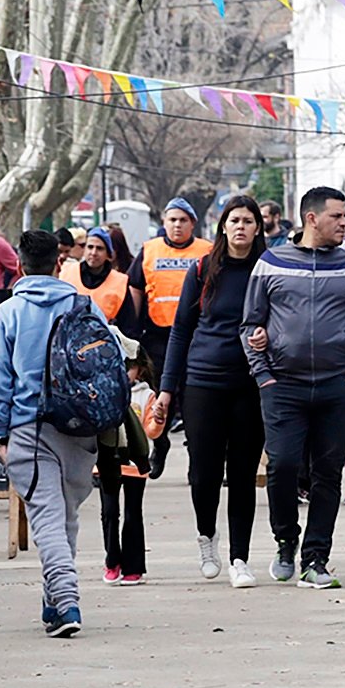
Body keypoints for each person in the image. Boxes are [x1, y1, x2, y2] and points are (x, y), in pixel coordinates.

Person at [242, 186, 345, 590]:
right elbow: (250, 323)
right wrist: (262, 374)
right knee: (282, 466)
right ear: (311, 218)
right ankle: (286, 540)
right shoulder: (270, 263)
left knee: (327, 473)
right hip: (282, 385)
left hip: (338, 387)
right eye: (337, 216)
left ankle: (316, 558)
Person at [0, 230, 98, 638]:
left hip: (28, 426)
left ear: (18, 265)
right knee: (64, 515)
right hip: (81, 428)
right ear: (59, 264)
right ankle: (53, 601)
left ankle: (66, 601)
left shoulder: (8, 313)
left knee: (47, 518)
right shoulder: (85, 306)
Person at [158, 195, 266, 588]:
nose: (241, 227)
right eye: (234, 220)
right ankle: (207, 538)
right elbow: (181, 330)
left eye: (248, 221)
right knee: (204, 474)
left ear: (258, 228)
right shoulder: (203, 269)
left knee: (242, 474)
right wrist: (168, 389)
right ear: (223, 226)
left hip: (251, 384)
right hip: (203, 382)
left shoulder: (267, 270)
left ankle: (240, 557)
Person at [129, 197, 213, 478]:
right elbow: (137, 289)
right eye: (172, 220)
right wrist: (132, 335)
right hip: (157, 337)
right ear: (163, 223)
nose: (177, 225)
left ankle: (196, 460)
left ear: (193, 224)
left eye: (183, 220)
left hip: (197, 337)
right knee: (159, 398)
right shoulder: (149, 250)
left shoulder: (207, 251)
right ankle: (160, 445)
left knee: (194, 402)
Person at [99, 337, 158, 586]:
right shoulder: (102, 390)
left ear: (140, 369)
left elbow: (152, 431)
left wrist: (159, 420)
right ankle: (112, 560)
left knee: (134, 513)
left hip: (135, 462)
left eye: (129, 368)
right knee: (109, 512)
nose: (124, 373)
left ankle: (134, 565)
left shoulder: (146, 396)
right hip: (106, 459)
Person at [61, 227, 130, 323]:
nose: (93, 253)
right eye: (90, 247)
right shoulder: (66, 272)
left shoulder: (120, 282)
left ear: (108, 254)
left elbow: (129, 325)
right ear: (84, 250)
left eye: (100, 248)